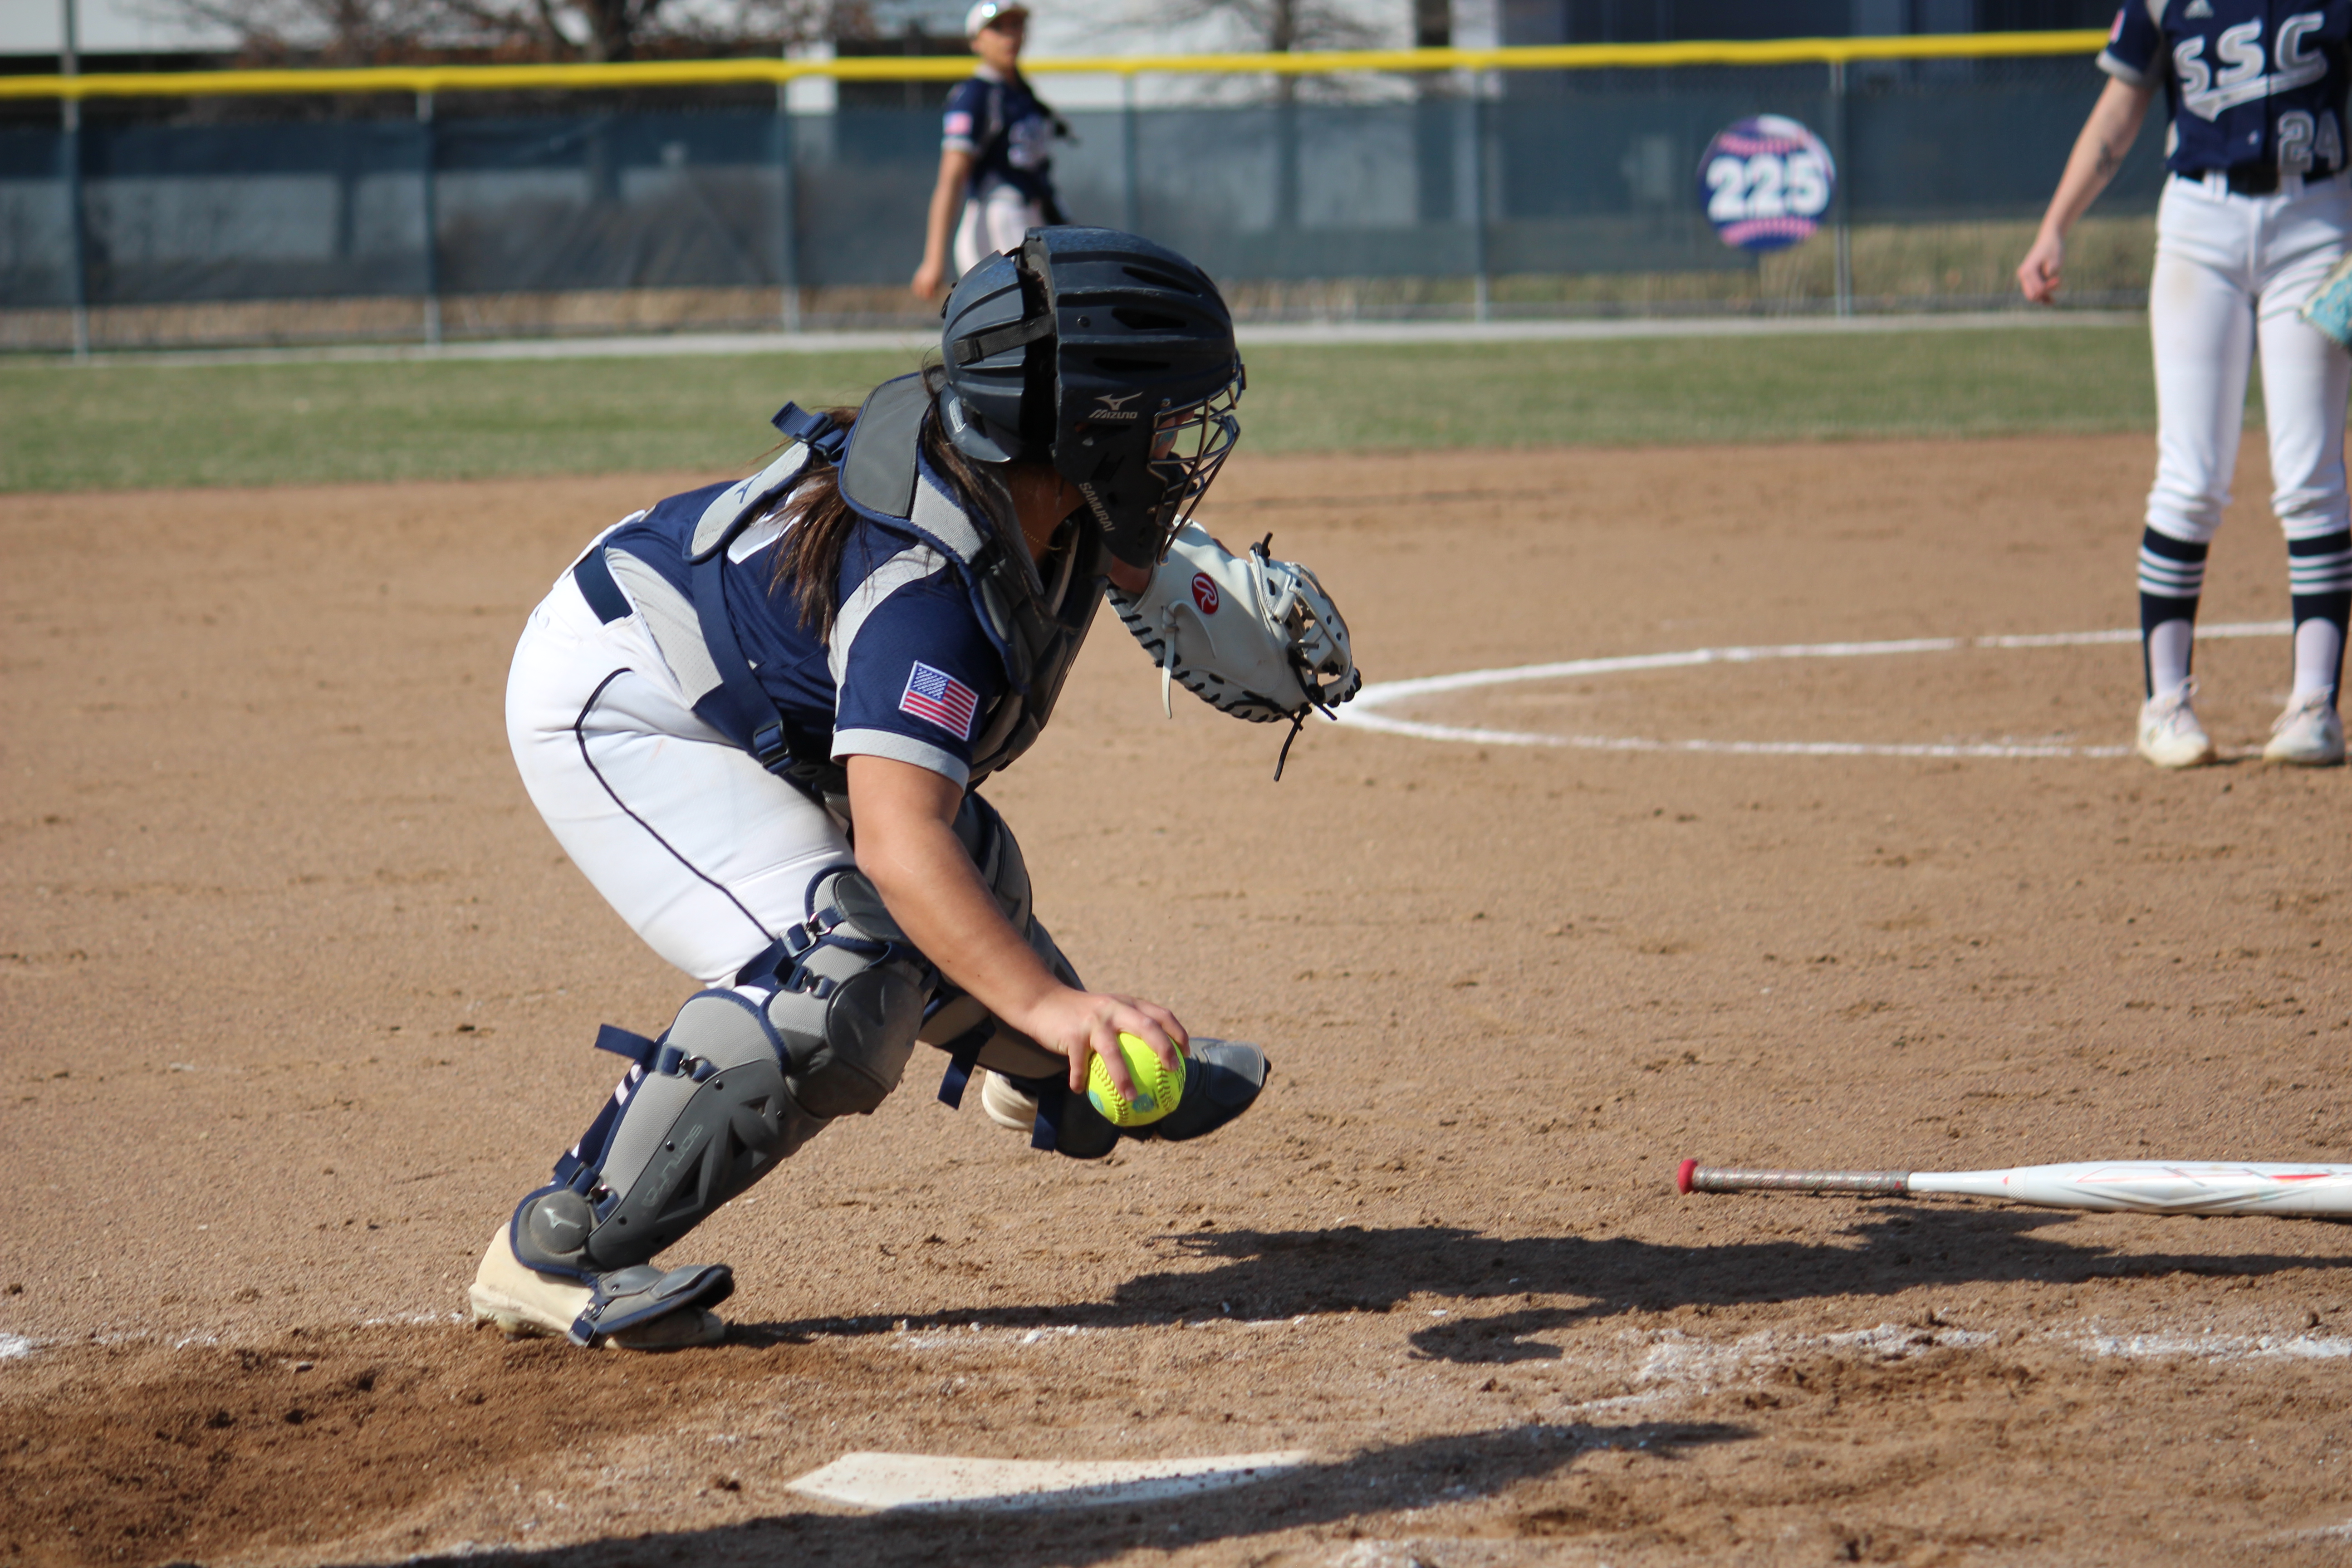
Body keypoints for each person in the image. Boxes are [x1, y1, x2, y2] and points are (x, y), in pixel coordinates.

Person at [465, 229, 1356, 1350]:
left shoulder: (1019, 479)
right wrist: (1055, 1003)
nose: (1183, 450)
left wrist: (1185, 584)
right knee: (846, 969)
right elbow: (897, 845)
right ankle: (559, 1244)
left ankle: (1052, 1076)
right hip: (624, 697)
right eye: (1164, 426)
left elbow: (1125, 559)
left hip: (733, 675)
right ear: (1088, 434)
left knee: (975, 871)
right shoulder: (925, 589)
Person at [2018, 0, 2352, 768]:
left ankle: (2314, 705)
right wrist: (2054, 226)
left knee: (2311, 475)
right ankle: (2164, 703)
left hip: (2317, 222)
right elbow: (2119, 109)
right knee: (2188, 477)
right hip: (2200, 225)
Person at [911, 0, 1068, 300]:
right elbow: (951, 178)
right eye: (997, 28)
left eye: (1015, 25)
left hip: (1032, 214)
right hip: (997, 217)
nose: (1009, 36)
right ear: (976, 41)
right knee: (1019, 316)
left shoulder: (1022, 93)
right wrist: (933, 258)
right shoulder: (976, 95)